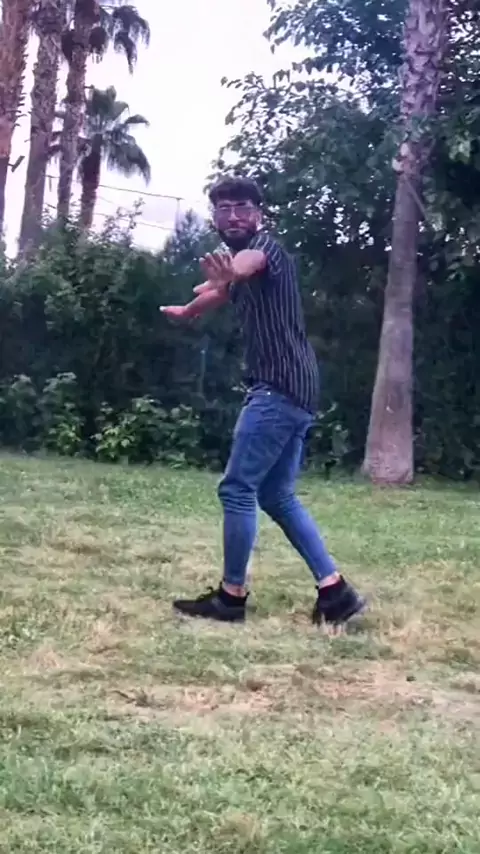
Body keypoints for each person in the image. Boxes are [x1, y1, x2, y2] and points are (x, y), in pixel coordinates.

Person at [160, 176, 365, 626]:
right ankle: (335, 592)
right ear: (215, 217)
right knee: (276, 494)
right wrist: (188, 310)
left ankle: (231, 598)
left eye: (242, 207)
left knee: (237, 489)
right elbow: (220, 291)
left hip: (277, 387)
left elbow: (244, 267)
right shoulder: (242, 266)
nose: (233, 216)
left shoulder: (265, 249)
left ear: (259, 214)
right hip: (299, 387)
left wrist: (231, 273)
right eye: (224, 209)